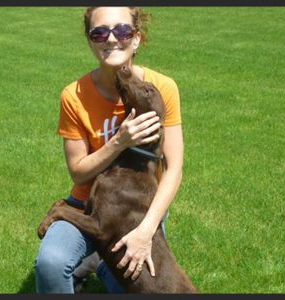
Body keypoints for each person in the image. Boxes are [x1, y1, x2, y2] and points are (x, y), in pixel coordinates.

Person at [34, 6, 184, 293]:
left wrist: (146, 229)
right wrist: (119, 141)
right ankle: (94, 253)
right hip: (84, 203)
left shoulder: (162, 88)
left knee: (134, 285)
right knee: (50, 263)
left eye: (123, 31)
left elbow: (174, 168)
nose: (112, 39)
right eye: (100, 33)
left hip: (139, 211)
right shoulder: (74, 95)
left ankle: (99, 262)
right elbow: (78, 173)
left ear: (136, 38)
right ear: (90, 40)